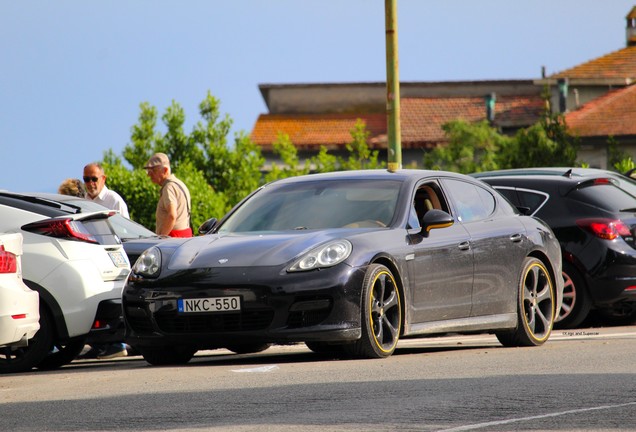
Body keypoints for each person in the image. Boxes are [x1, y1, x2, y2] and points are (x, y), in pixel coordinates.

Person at [79, 162, 129, 359]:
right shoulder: (82, 201)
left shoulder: (113, 200)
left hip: (111, 255)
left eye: (93, 179)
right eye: (86, 179)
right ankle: (98, 344)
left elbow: (124, 229)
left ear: (103, 179)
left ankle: (117, 343)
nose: (90, 183)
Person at [144, 152, 192, 237]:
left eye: (153, 170)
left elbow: (172, 215)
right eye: (148, 171)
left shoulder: (168, 187)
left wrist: (161, 238)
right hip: (184, 237)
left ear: (165, 170)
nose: (149, 175)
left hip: (172, 240)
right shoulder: (180, 184)